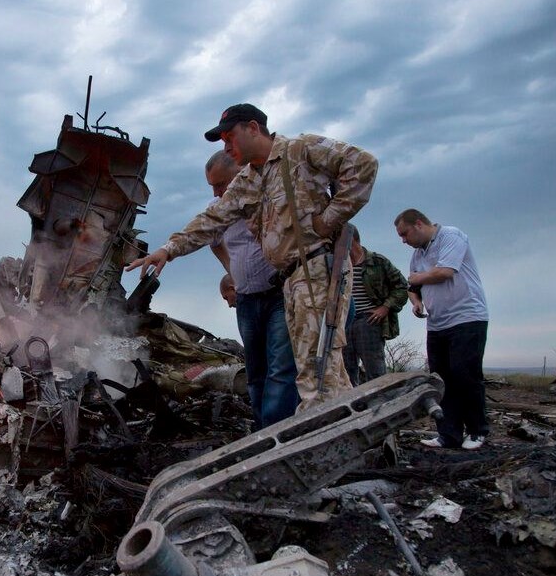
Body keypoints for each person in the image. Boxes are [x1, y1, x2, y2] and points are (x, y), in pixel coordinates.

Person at [128, 103, 378, 411]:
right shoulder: (249, 180)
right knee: (328, 373)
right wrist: (169, 249)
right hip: (291, 280)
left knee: (317, 369)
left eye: (230, 136)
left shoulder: (300, 149)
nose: (226, 145)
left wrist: (328, 220)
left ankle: (315, 447)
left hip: (317, 269)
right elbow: (212, 219)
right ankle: (357, 437)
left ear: (253, 128)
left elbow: (363, 164)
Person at [208, 151, 298, 427]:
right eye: (212, 186)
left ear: (240, 172)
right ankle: (262, 430)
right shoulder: (219, 207)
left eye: (220, 184)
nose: (216, 191)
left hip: (278, 295)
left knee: (281, 368)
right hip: (247, 299)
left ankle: (279, 434)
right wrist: (232, 271)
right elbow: (213, 241)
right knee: (256, 370)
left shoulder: (268, 196)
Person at [394, 209, 489, 450]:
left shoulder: (451, 236)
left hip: (466, 318)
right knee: (441, 379)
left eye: (405, 234)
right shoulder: (418, 254)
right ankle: (449, 434)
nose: (403, 240)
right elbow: (412, 284)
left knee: (465, 374)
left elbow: (444, 272)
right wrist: (415, 302)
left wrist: (418, 278)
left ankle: (477, 431)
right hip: (437, 323)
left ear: (418, 224)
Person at [344, 228, 409, 386]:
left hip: (369, 321)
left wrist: (385, 307)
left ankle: (381, 407)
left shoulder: (377, 261)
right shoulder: (338, 264)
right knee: (345, 374)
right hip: (343, 322)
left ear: (350, 239)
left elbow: (402, 287)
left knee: (376, 373)